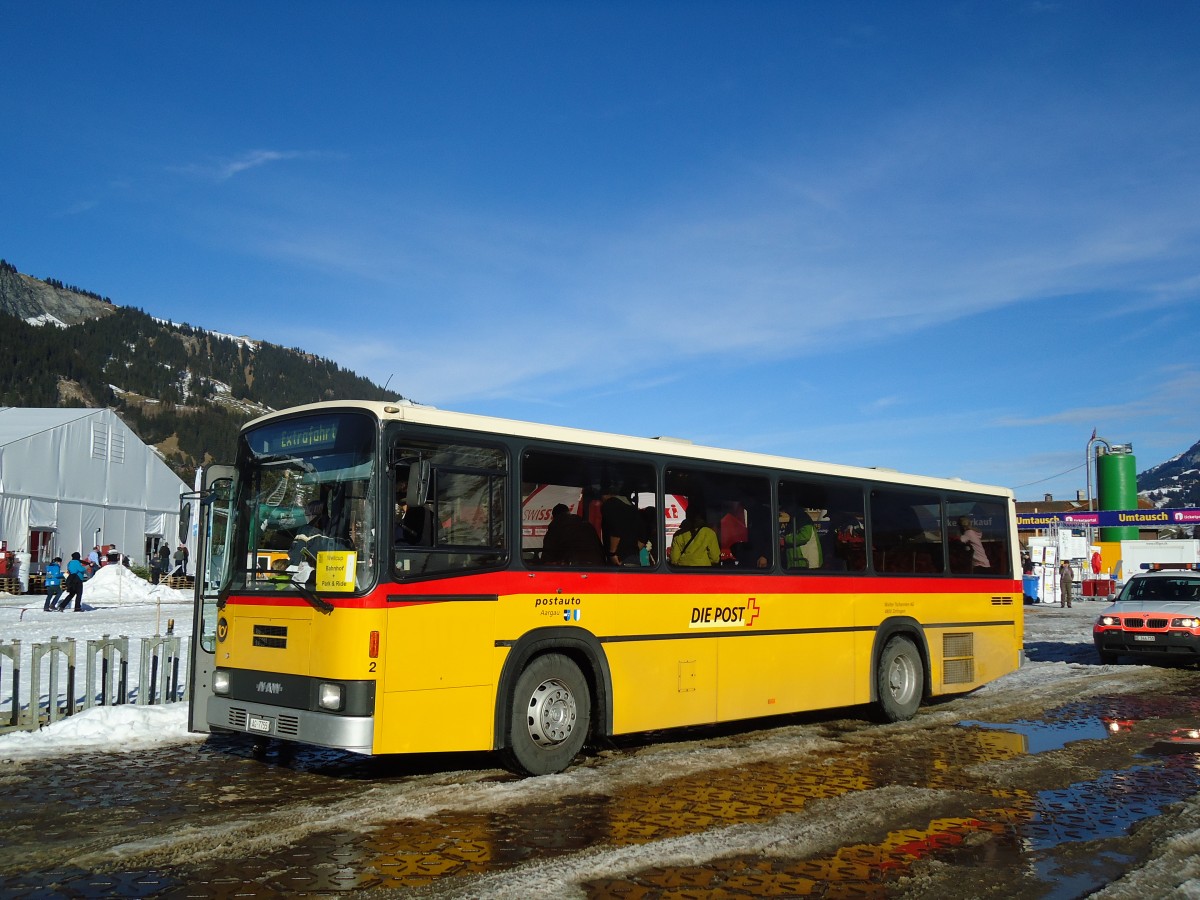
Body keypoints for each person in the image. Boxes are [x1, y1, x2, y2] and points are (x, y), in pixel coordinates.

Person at [601, 487, 644, 566]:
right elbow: (643, 536)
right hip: (633, 558)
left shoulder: (610, 504)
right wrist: (632, 550)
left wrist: (612, 553)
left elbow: (616, 529)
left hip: (619, 558)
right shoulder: (632, 508)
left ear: (606, 494)